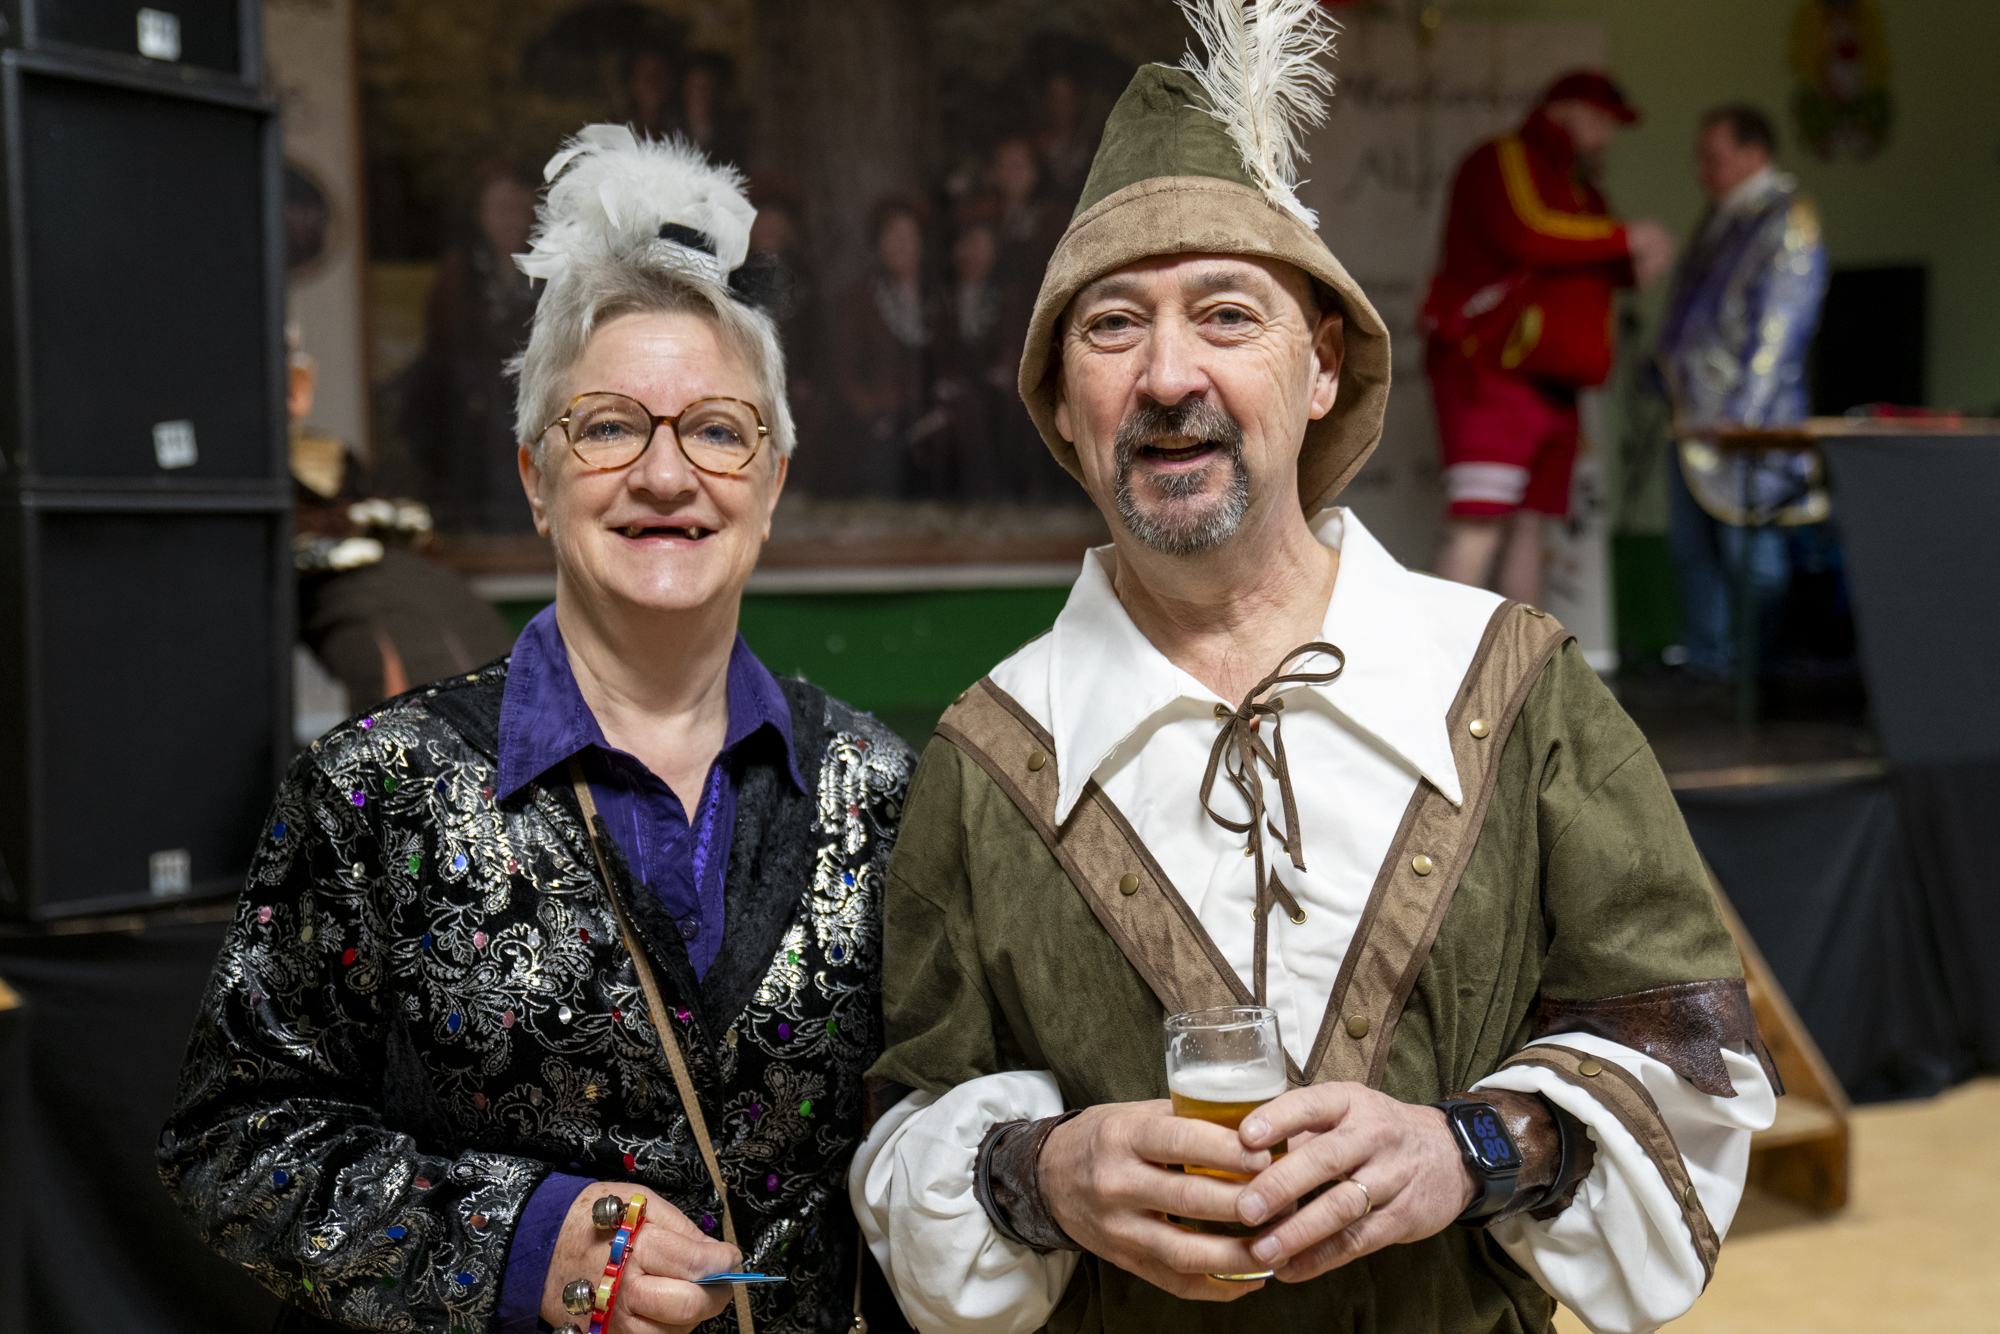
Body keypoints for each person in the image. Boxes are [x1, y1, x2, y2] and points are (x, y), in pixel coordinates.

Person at [850, 8, 1777, 1333]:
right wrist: (1040, 1173)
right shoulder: (989, 757)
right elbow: (901, 1129)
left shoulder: (1515, 691)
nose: (1168, 373)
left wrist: (1471, 1146)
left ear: (1323, 365)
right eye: (1111, 327)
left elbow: (1690, 1058)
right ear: (1061, 401)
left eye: (1227, 313)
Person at [162, 126, 916, 1334]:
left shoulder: (877, 790)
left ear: (770, 481)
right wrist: (522, 1243)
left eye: (718, 429)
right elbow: (230, 1140)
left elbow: (930, 1130)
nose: (665, 475)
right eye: (609, 425)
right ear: (534, 475)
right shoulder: (376, 789)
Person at [1424, 71, 1678, 604]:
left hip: (1558, 385)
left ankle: (1524, 659)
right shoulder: (1502, 158)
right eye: (1598, 121)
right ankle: (1436, 658)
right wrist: (1626, 237)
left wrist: (1634, 263)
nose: (1606, 137)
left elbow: (1591, 260)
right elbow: (1529, 230)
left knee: (1530, 528)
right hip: (1492, 374)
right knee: (1477, 525)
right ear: (1562, 111)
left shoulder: (1580, 183)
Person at [1654, 104, 1832, 682]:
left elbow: (1781, 324)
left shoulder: (1785, 218)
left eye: (1714, 156)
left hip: (1744, 422)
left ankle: (1759, 677)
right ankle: (1707, 669)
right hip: (1691, 411)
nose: (1701, 169)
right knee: (1692, 549)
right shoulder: (1720, 218)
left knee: (1750, 553)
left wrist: (1745, 413)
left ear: (1755, 154)